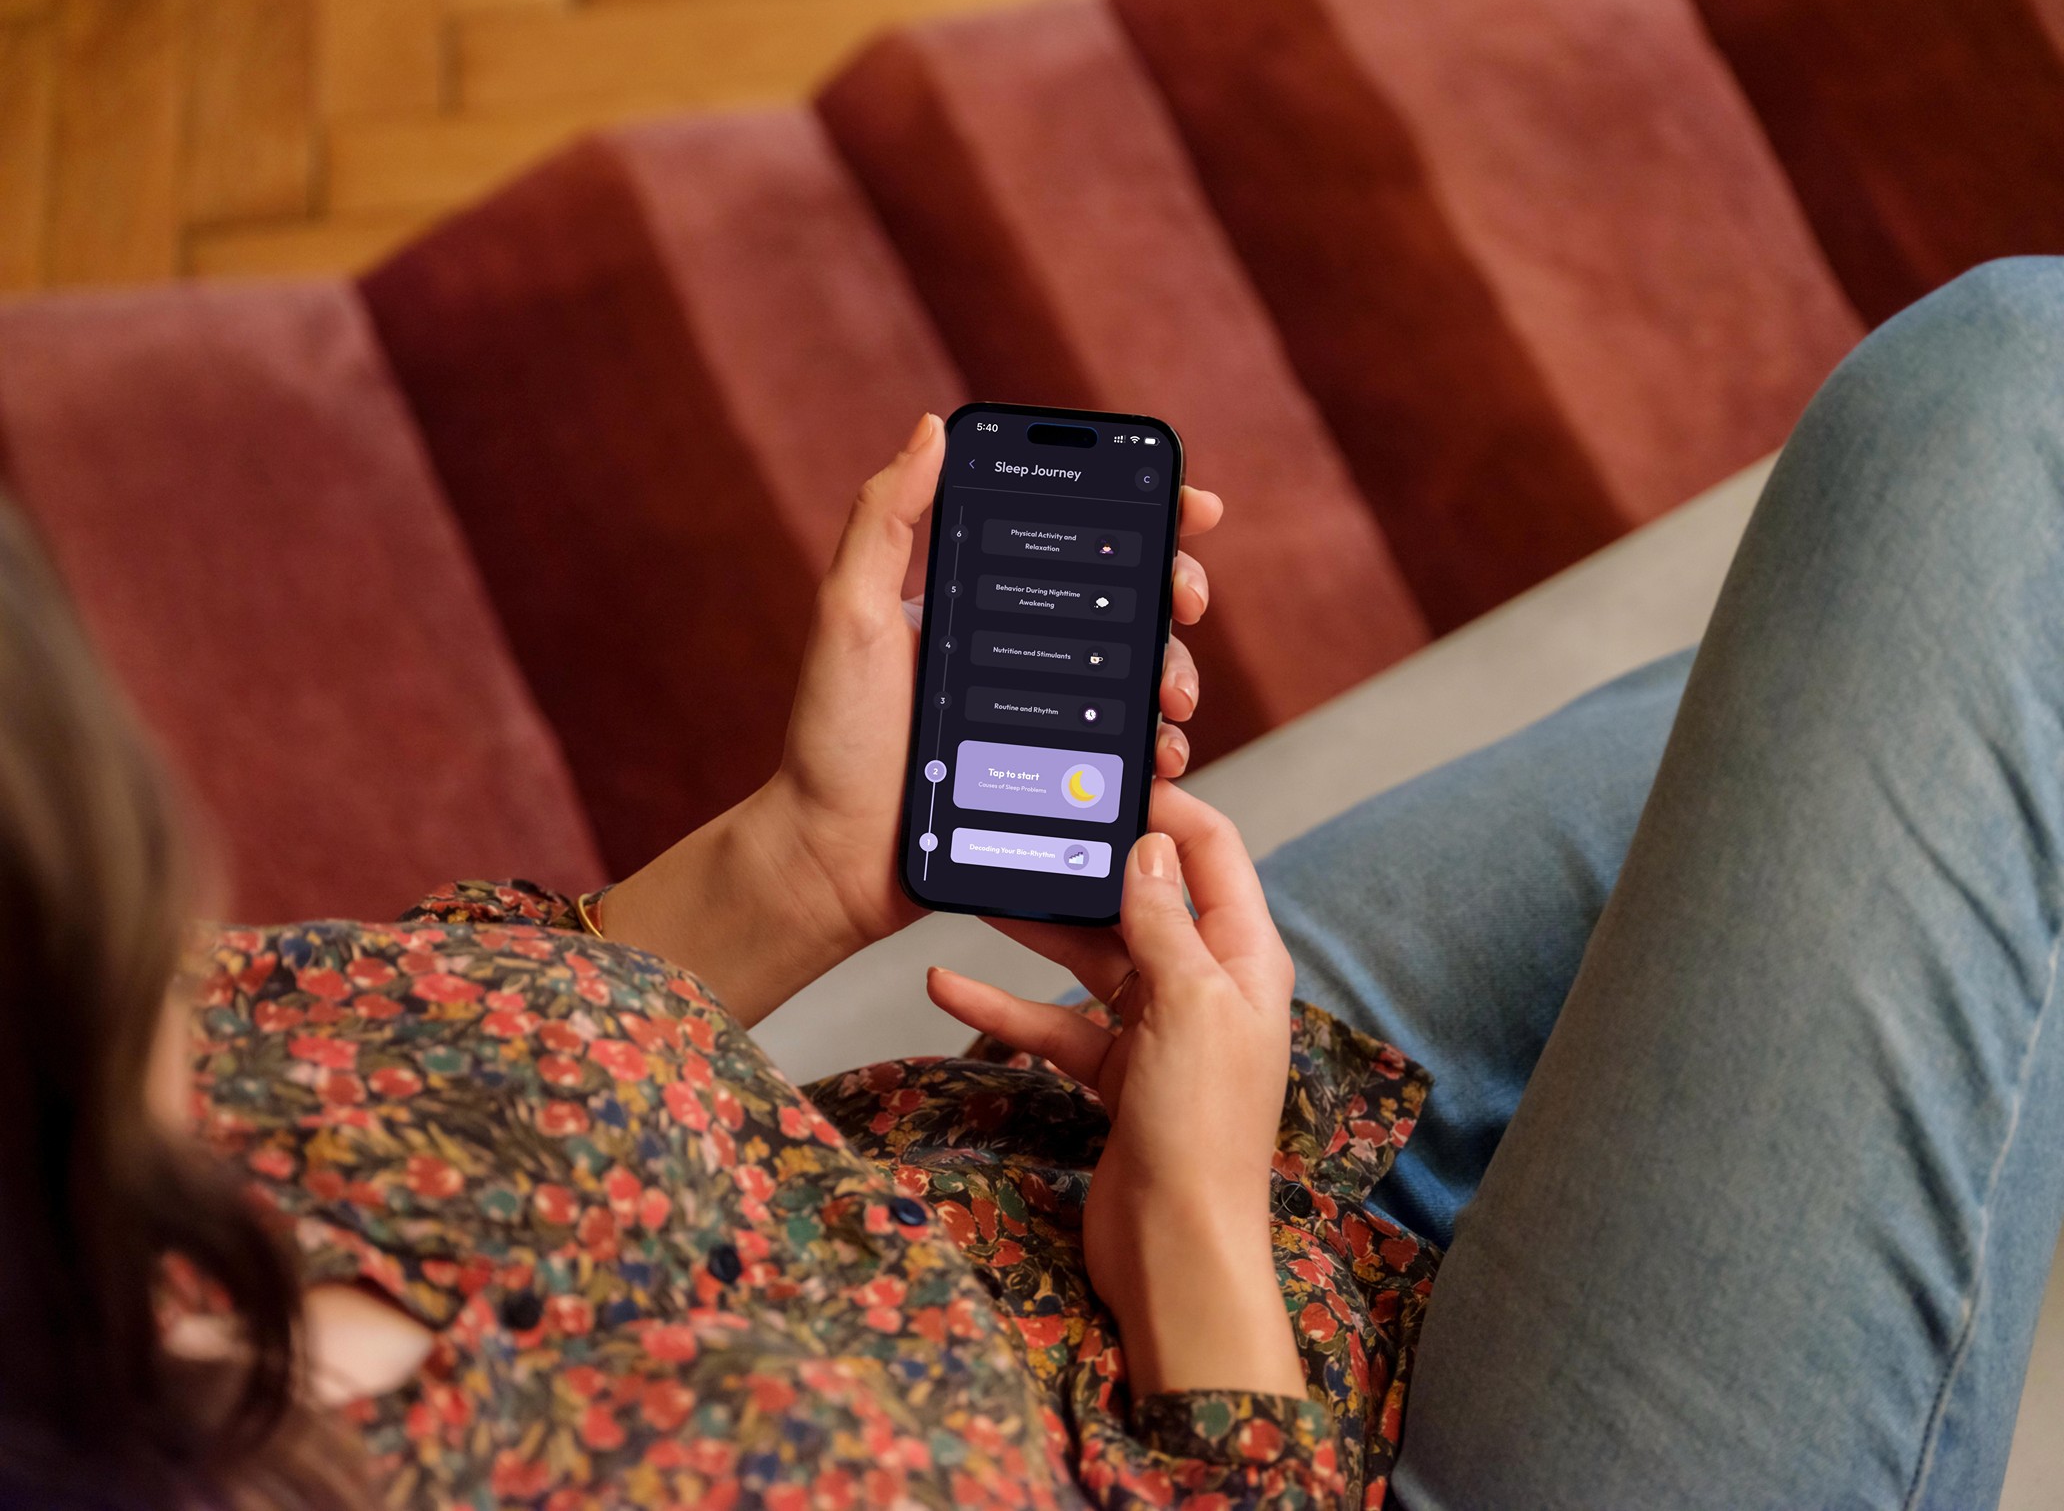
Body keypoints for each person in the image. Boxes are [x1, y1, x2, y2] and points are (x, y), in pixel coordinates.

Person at [0, 259, 2059, 1511]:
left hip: (1064, 1145)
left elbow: (463, 1065)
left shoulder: (118, 1078)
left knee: (1913, 647)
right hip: (1302, 1411)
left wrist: (805, 856)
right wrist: (1191, 1240)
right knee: (2002, 421)